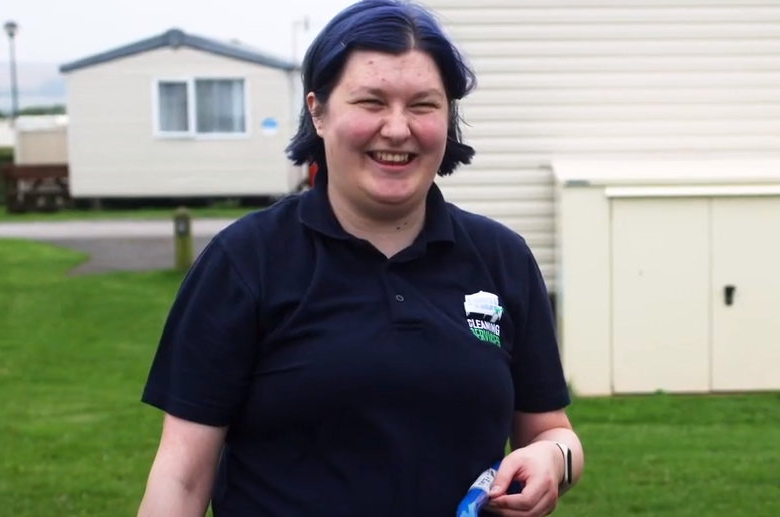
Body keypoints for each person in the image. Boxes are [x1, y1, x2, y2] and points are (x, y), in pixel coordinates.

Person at [136, 1, 585, 516]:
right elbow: (182, 477)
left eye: (423, 105)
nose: (397, 129)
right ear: (318, 111)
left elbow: (553, 431)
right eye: (371, 102)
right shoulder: (244, 262)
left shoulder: (501, 258)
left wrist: (552, 459)